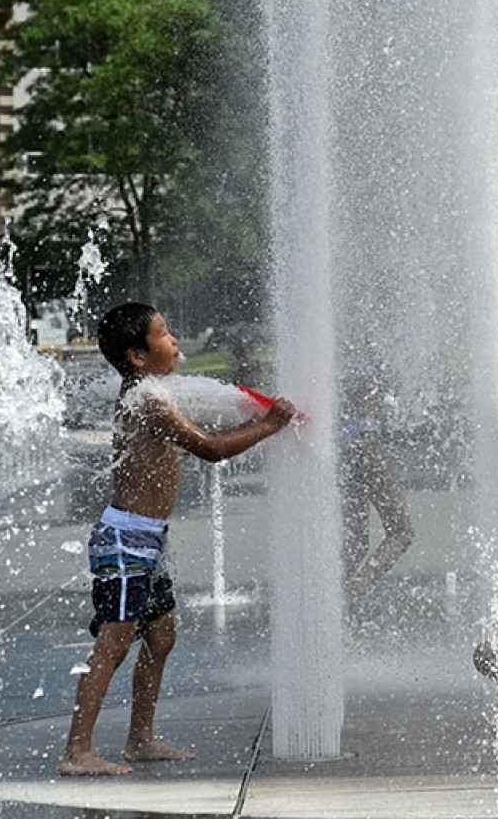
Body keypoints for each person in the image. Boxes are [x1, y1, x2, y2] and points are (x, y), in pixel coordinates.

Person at [59, 303, 296, 776]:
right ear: (138, 356)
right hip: (125, 540)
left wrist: (249, 409)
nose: (175, 342)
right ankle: (77, 752)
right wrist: (268, 425)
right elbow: (208, 449)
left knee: (161, 636)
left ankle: (140, 738)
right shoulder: (146, 402)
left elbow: (207, 428)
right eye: (164, 334)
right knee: (114, 644)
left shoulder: (150, 393)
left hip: (148, 540)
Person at [338, 357, 416, 614]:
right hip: (368, 447)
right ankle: (348, 597)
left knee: (357, 540)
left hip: (344, 450)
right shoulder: (370, 356)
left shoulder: (336, 353)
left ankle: (334, 602)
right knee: (401, 532)